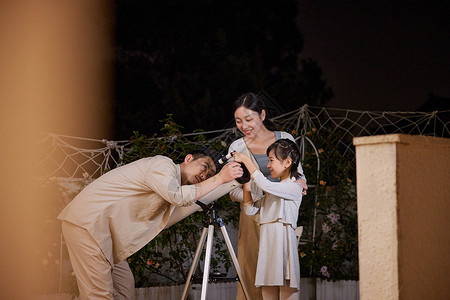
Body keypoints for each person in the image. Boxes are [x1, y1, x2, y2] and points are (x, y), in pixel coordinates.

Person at [57, 149, 243, 300]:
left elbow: (170, 218)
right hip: (89, 223)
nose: (205, 175)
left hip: (104, 233)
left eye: (210, 174)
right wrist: (219, 177)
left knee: (124, 288)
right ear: (188, 158)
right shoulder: (163, 165)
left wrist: (230, 183)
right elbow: (178, 197)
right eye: (204, 167)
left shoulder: (170, 190)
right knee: (99, 295)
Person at [228, 92, 307, 300]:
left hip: (280, 214)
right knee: (253, 271)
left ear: (262, 115)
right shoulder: (237, 148)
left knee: (283, 273)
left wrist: (301, 183)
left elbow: (298, 177)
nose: (244, 126)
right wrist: (256, 193)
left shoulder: (284, 140)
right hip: (253, 215)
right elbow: (233, 190)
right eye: (238, 121)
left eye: (248, 119)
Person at [233, 138, 303, 300]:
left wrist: (246, 160)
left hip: (283, 249)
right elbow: (249, 210)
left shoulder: (294, 187)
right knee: (267, 294)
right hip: (267, 250)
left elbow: (266, 185)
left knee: (288, 291)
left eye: (271, 160)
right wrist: (247, 185)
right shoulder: (271, 194)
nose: (268, 165)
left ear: (287, 162)